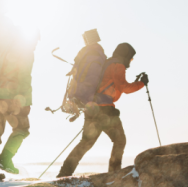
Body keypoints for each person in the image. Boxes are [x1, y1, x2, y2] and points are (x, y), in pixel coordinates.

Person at [57, 43, 148, 177]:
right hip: (105, 111)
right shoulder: (118, 65)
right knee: (120, 140)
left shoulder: (107, 63)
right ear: (126, 55)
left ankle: (64, 173)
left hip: (92, 108)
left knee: (85, 144)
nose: (130, 61)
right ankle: (114, 173)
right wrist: (142, 83)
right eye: (131, 58)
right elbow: (125, 88)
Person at [0, 28, 38, 181]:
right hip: (10, 97)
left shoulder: (2, 48)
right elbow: (24, 77)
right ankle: (5, 159)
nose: (36, 44)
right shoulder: (25, 51)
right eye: (36, 40)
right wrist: (25, 102)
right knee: (22, 129)